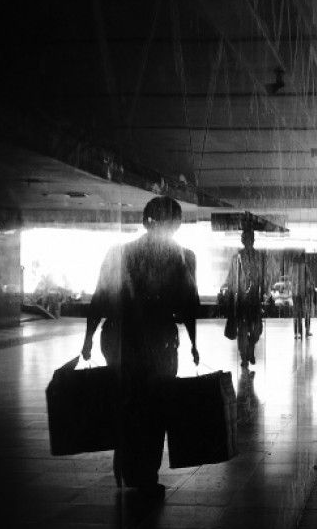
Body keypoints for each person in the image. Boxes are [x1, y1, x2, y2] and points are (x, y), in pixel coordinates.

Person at [81, 196, 199, 496]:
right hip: (160, 340)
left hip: (121, 338)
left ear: (146, 221)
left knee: (128, 401)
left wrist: (89, 337)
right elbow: (189, 306)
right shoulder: (183, 257)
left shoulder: (119, 253)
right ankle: (145, 473)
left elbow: (101, 297)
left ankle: (126, 461)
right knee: (156, 407)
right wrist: (194, 343)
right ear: (176, 224)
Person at [226, 228, 266, 366]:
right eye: (246, 239)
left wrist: (265, 293)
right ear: (243, 240)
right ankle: (244, 357)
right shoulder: (237, 257)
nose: (248, 241)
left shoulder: (259, 257)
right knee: (243, 329)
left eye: (250, 239)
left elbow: (262, 277)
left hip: (254, 299)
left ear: (253, 240)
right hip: (242, 299)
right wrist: (228, 291)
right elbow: (232, 277)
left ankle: (250, 348)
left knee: (256, 329)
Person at [292, 252, 316, 338]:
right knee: (307, 312)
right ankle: (307, 330)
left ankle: (296, 333)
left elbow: (292, 281)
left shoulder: (294, 268)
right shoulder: (305, 267)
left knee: (296, 313)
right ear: (304, 259)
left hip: (295, 293)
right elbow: (311, 280)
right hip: (304, 293)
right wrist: (312, 287)